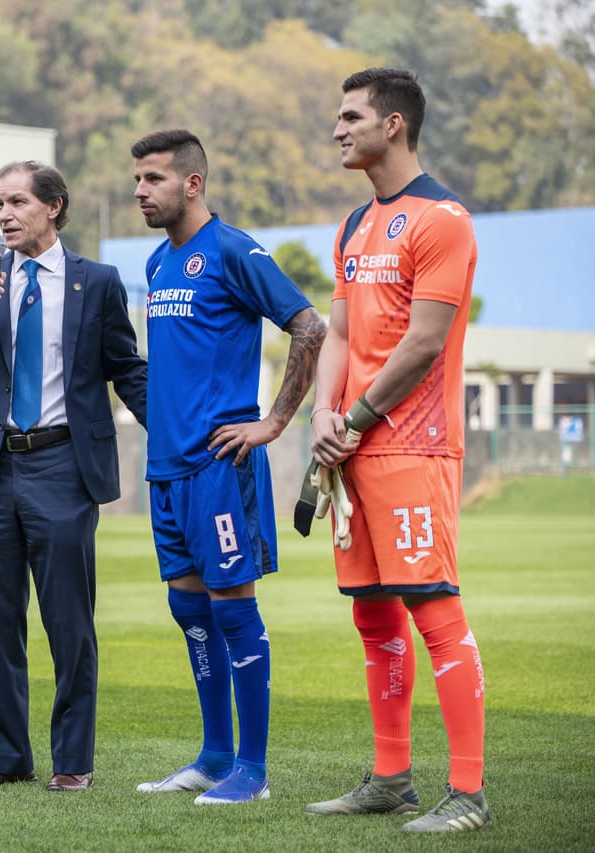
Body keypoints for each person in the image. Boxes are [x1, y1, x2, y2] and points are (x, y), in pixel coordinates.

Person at [304, 67, 488, 833]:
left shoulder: (444, 220)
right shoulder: (352, 226)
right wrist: (322, 411)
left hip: (413, 446)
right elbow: (339, 334)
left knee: (434, 610)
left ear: (395, 126)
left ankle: (469, 793)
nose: (338, 129)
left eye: (352, 117)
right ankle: (389, 777)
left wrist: (357, 416)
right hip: (352, 450)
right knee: (373, 618)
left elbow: (425, 340)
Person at [130, 130, 326, 804]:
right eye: (137, 179)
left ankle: (254, 769)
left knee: (234, 610)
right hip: (166, 469)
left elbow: (309, 326)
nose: (139, 191)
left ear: (192, 182)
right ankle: (213, 756)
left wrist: (272, 422)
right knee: (188, 608)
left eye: (153, 178)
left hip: (220, 466)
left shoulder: (236, 249)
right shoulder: (157, 264)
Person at [0, 160, 147, 792]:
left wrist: (175, 431)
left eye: (18, 202)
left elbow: (126, 368)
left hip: (63, 464)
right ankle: (4, 757)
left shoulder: (99, 283)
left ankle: (73, 763)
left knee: (68, 622)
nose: (5, 214)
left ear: (53, 206)